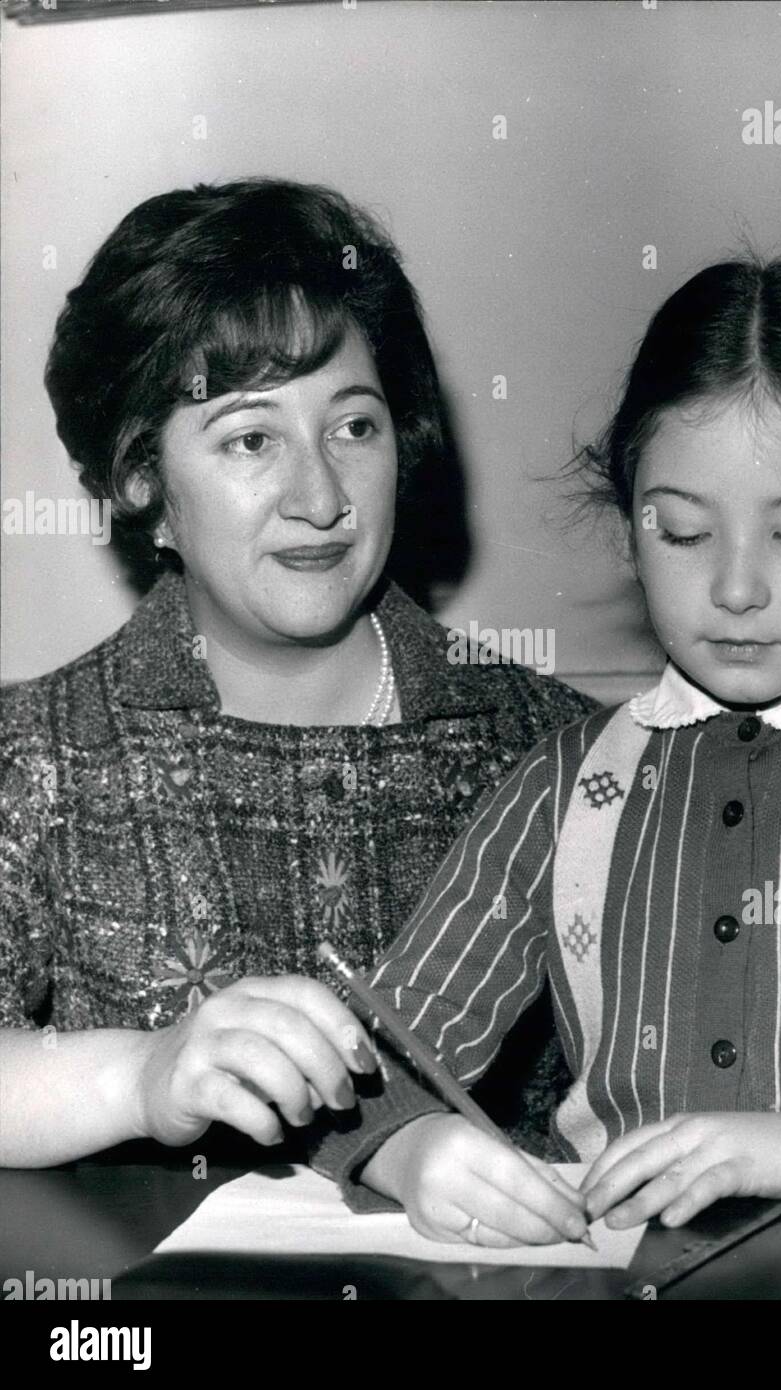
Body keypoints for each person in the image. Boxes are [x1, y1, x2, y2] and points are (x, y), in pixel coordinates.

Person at [309, 256, 781, 1243]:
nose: (736, 589)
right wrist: (411, 1150)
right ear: (630, 526)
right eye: (681, 532)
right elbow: (371, 1062)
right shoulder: (561, 786)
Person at [0, 178, 594, 1169]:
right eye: (251, 439)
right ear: (142, 476)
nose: (320, 499)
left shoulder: (563, 752)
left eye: (354, 427)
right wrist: (141, 1077)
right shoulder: (33, 758)